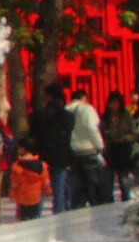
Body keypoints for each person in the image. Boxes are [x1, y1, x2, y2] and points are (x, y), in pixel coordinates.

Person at [33, 82, 76, 214]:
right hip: (61, 155)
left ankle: (37, 214)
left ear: (49, 96)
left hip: (43, 155)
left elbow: (35, 134)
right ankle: (59, 213)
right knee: (59, 188)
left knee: (40, 187)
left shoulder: (40, 115)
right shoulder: (68, 116)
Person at [66, 85, 108, 207]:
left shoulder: (66, 110)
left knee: (77, 187)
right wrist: (100, 145)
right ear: (84, 98)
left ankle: (77, 208)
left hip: (72, 151)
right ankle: (96, 208)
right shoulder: (87, 109)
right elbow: (91, 128)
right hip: (88, 150)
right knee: (93, 185)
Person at [101, 90, 137, 202]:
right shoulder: (105, 118)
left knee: (123, 180)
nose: (114, 105)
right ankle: (109, 202)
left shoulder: (126, 116)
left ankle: (126, 200)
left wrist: (125, 138)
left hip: (123, 150)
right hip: (110, 150)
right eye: (112, 103)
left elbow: (134, 133)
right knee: (108, 182)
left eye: (116, 103)